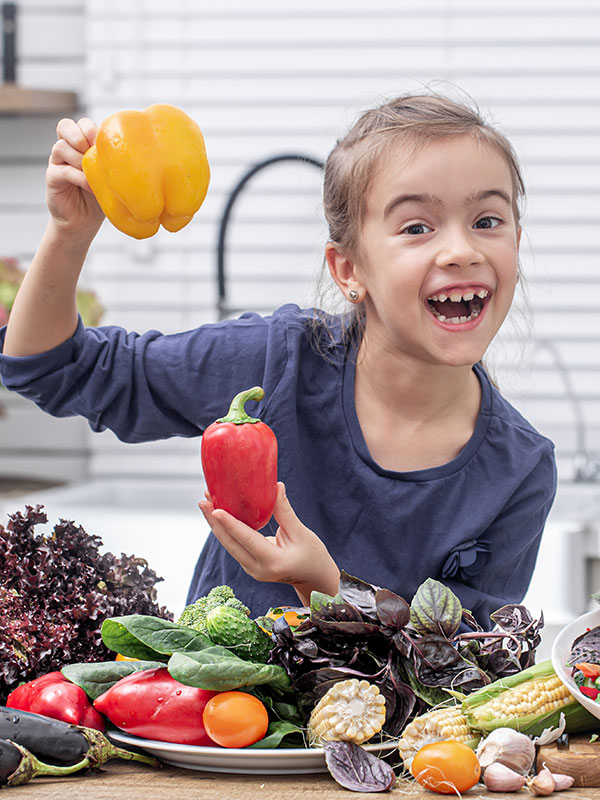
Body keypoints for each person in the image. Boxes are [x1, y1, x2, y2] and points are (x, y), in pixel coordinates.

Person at [0, 92, 556, 628]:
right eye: (416, 227)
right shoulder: (277, 362)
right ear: (348, 271)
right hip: (209, 722)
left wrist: (328, 589)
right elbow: (50, 366)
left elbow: (469, 670)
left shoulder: (520, 470)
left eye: (488, 220)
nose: (463, 250)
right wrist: (70, 234)